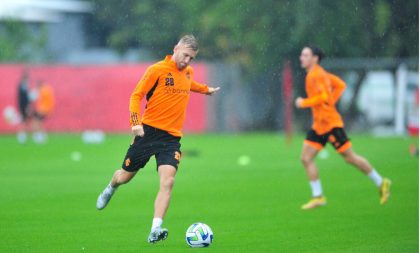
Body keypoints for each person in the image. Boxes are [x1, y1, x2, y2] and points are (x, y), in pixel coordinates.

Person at [96, 35, 220, 243]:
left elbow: (190, 84)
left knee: (168, 181)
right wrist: (135, 123)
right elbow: (136, 96)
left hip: (171, 138)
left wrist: (206, 90)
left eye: (192, 58)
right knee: (125, 176)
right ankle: (111, 187)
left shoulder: (187, 72)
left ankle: (155, 229)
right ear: (176, 49)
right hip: (147, 133)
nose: (188, 61)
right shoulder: (157, 70)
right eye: (186, 55)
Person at [295, 45, 391, 210]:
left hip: (330, 125)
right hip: (319, 126)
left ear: (315, 58)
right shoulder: (320, 73)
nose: (301, 58)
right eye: (302, 55)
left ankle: (381, 182)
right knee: (305, 158)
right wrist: (331, 102)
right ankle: (318, 196)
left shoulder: (315, 75)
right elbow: (340, 85)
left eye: (305, 55)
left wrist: (304, 102)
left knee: (350, 158)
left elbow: (323, 96)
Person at [16, 69, 31, 144]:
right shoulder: (22, 86)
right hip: (23, 107)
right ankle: (21, 136)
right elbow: (23, 98)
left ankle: (23, 136)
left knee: (25, 121)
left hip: (23, 107)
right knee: (23, 121)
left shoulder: (24, 86)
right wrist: (26, 107)